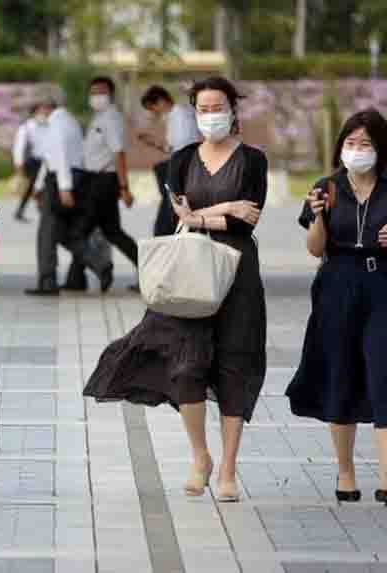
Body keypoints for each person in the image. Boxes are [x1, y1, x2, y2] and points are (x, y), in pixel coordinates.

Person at [84, 77, 268, 503]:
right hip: (189, 268)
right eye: (203, 109)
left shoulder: (253, 160)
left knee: (234, 364)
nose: (211, 116)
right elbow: (177, 216)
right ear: (193, 112)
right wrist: (220, 210)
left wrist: (207, 214)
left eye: (218, 107)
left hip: (236, 271)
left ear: (232, 110)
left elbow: (248, 219)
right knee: (186, 365)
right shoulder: (182, 159)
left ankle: (227, 469)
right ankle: (200, 456)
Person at [287, 109, 387, 507]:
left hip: (383, 284)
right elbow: (315, 248)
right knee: (340, 373)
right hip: (336, 283)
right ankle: (345, 473)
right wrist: (316, 217)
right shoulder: (325, 188)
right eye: (350, 143)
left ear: (379, 148)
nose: (357, 150)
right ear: (340, 147)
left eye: (365, 143)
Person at [24, 102, 113, 296]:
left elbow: (58, 156)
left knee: (47, 234)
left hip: (59, 181)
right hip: (77, 179)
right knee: (66, 233)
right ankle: (93, 268)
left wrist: (63, 187)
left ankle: (47, 281)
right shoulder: (72, 122)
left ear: (46, 108)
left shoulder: (56, 124)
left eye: (38, 110)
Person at [62, 77, 139, 293]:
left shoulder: (111, 118)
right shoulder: (100, 118)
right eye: (93, 92)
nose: (97, 96)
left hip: (103, 182)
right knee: (111, 231)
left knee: (79, 231)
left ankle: (98, 269)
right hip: (96, 181)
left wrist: (124, 187)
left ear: (111, 94)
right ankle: (76, 279)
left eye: (101, 91)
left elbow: (118, 153)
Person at [138, 85, 202, 236]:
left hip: (182, 167)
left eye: (152, 107)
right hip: (180, 165)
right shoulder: (174, 117)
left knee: (170, 213)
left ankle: (162, 237)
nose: (153, 112)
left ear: (160, 101)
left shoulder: (179, 115)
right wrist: (154, 143)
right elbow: (174, 147)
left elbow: (183, 146)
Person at [11, 101, 53, 222]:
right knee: (35, 186)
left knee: (37, 187)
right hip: (34, 162)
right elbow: (19, 146)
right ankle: (40, 210)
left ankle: (23, 211)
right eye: (40, 111)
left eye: (45, 110)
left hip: (48, 161)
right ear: (34, 112)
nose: (43, 113)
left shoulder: (50, 125)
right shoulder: (27, 127)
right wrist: (18, 163)